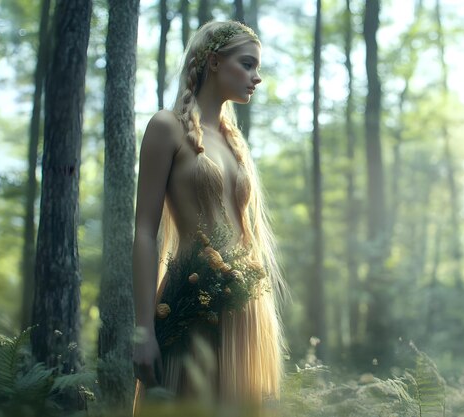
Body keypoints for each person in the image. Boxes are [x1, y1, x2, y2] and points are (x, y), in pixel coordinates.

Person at [131, 20, 288, 414]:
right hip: (189, 300)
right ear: (215, 61)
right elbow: (145, 232)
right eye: (248, 64)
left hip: (244, 309)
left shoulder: (233, 142)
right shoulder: (166, 127)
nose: (257, 77)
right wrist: (142, 331)